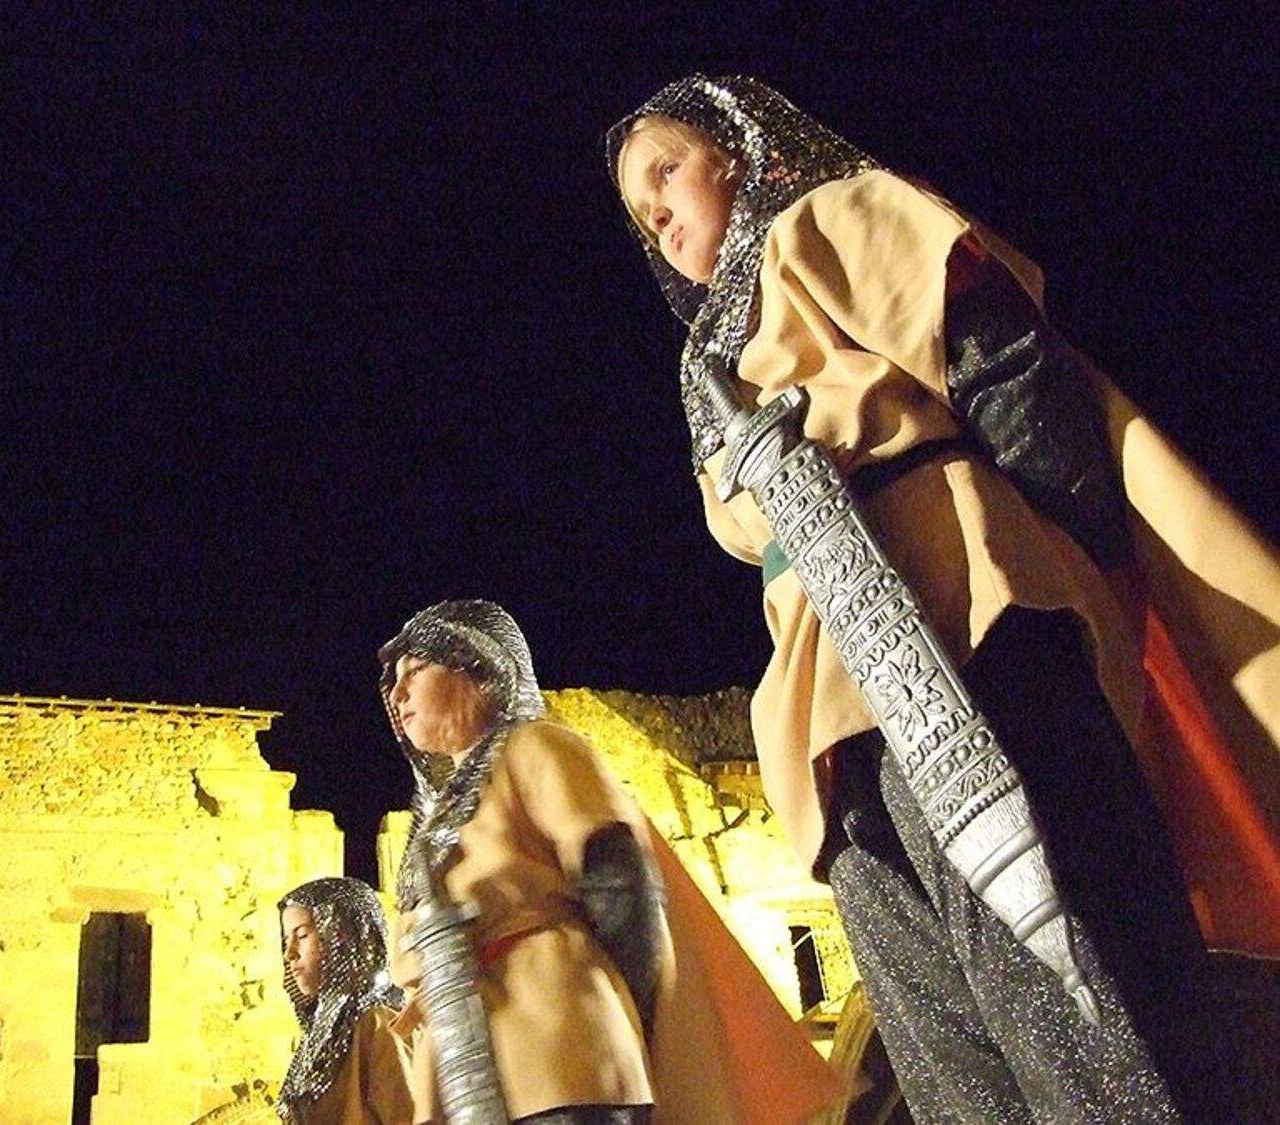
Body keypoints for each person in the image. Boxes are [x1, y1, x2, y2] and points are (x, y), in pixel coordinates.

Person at [605, 74, 1280, 1122]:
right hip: (830, 710)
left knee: (1076, 993)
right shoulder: (712, 373)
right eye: (641, 215)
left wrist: (1067, 561)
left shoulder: (826, 219)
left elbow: (1002, 361)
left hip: (964, 615)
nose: (658, 215)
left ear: (735, 148)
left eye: (666, 171)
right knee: (952, 1058)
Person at [380, 599, 841, 1125]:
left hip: (559, 1056)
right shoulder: (437, 821)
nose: (398, 693)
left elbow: (618, 877)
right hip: (465, 1069)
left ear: (482, 671)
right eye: (394, 680)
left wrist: (622, 1009)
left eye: (417, 669)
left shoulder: (534, 746)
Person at [277, 877, 414, 1124]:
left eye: (302, 935)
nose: (290, 953)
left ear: (341, 936)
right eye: (286, 940)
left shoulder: (377, 1025)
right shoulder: (320, 1038)